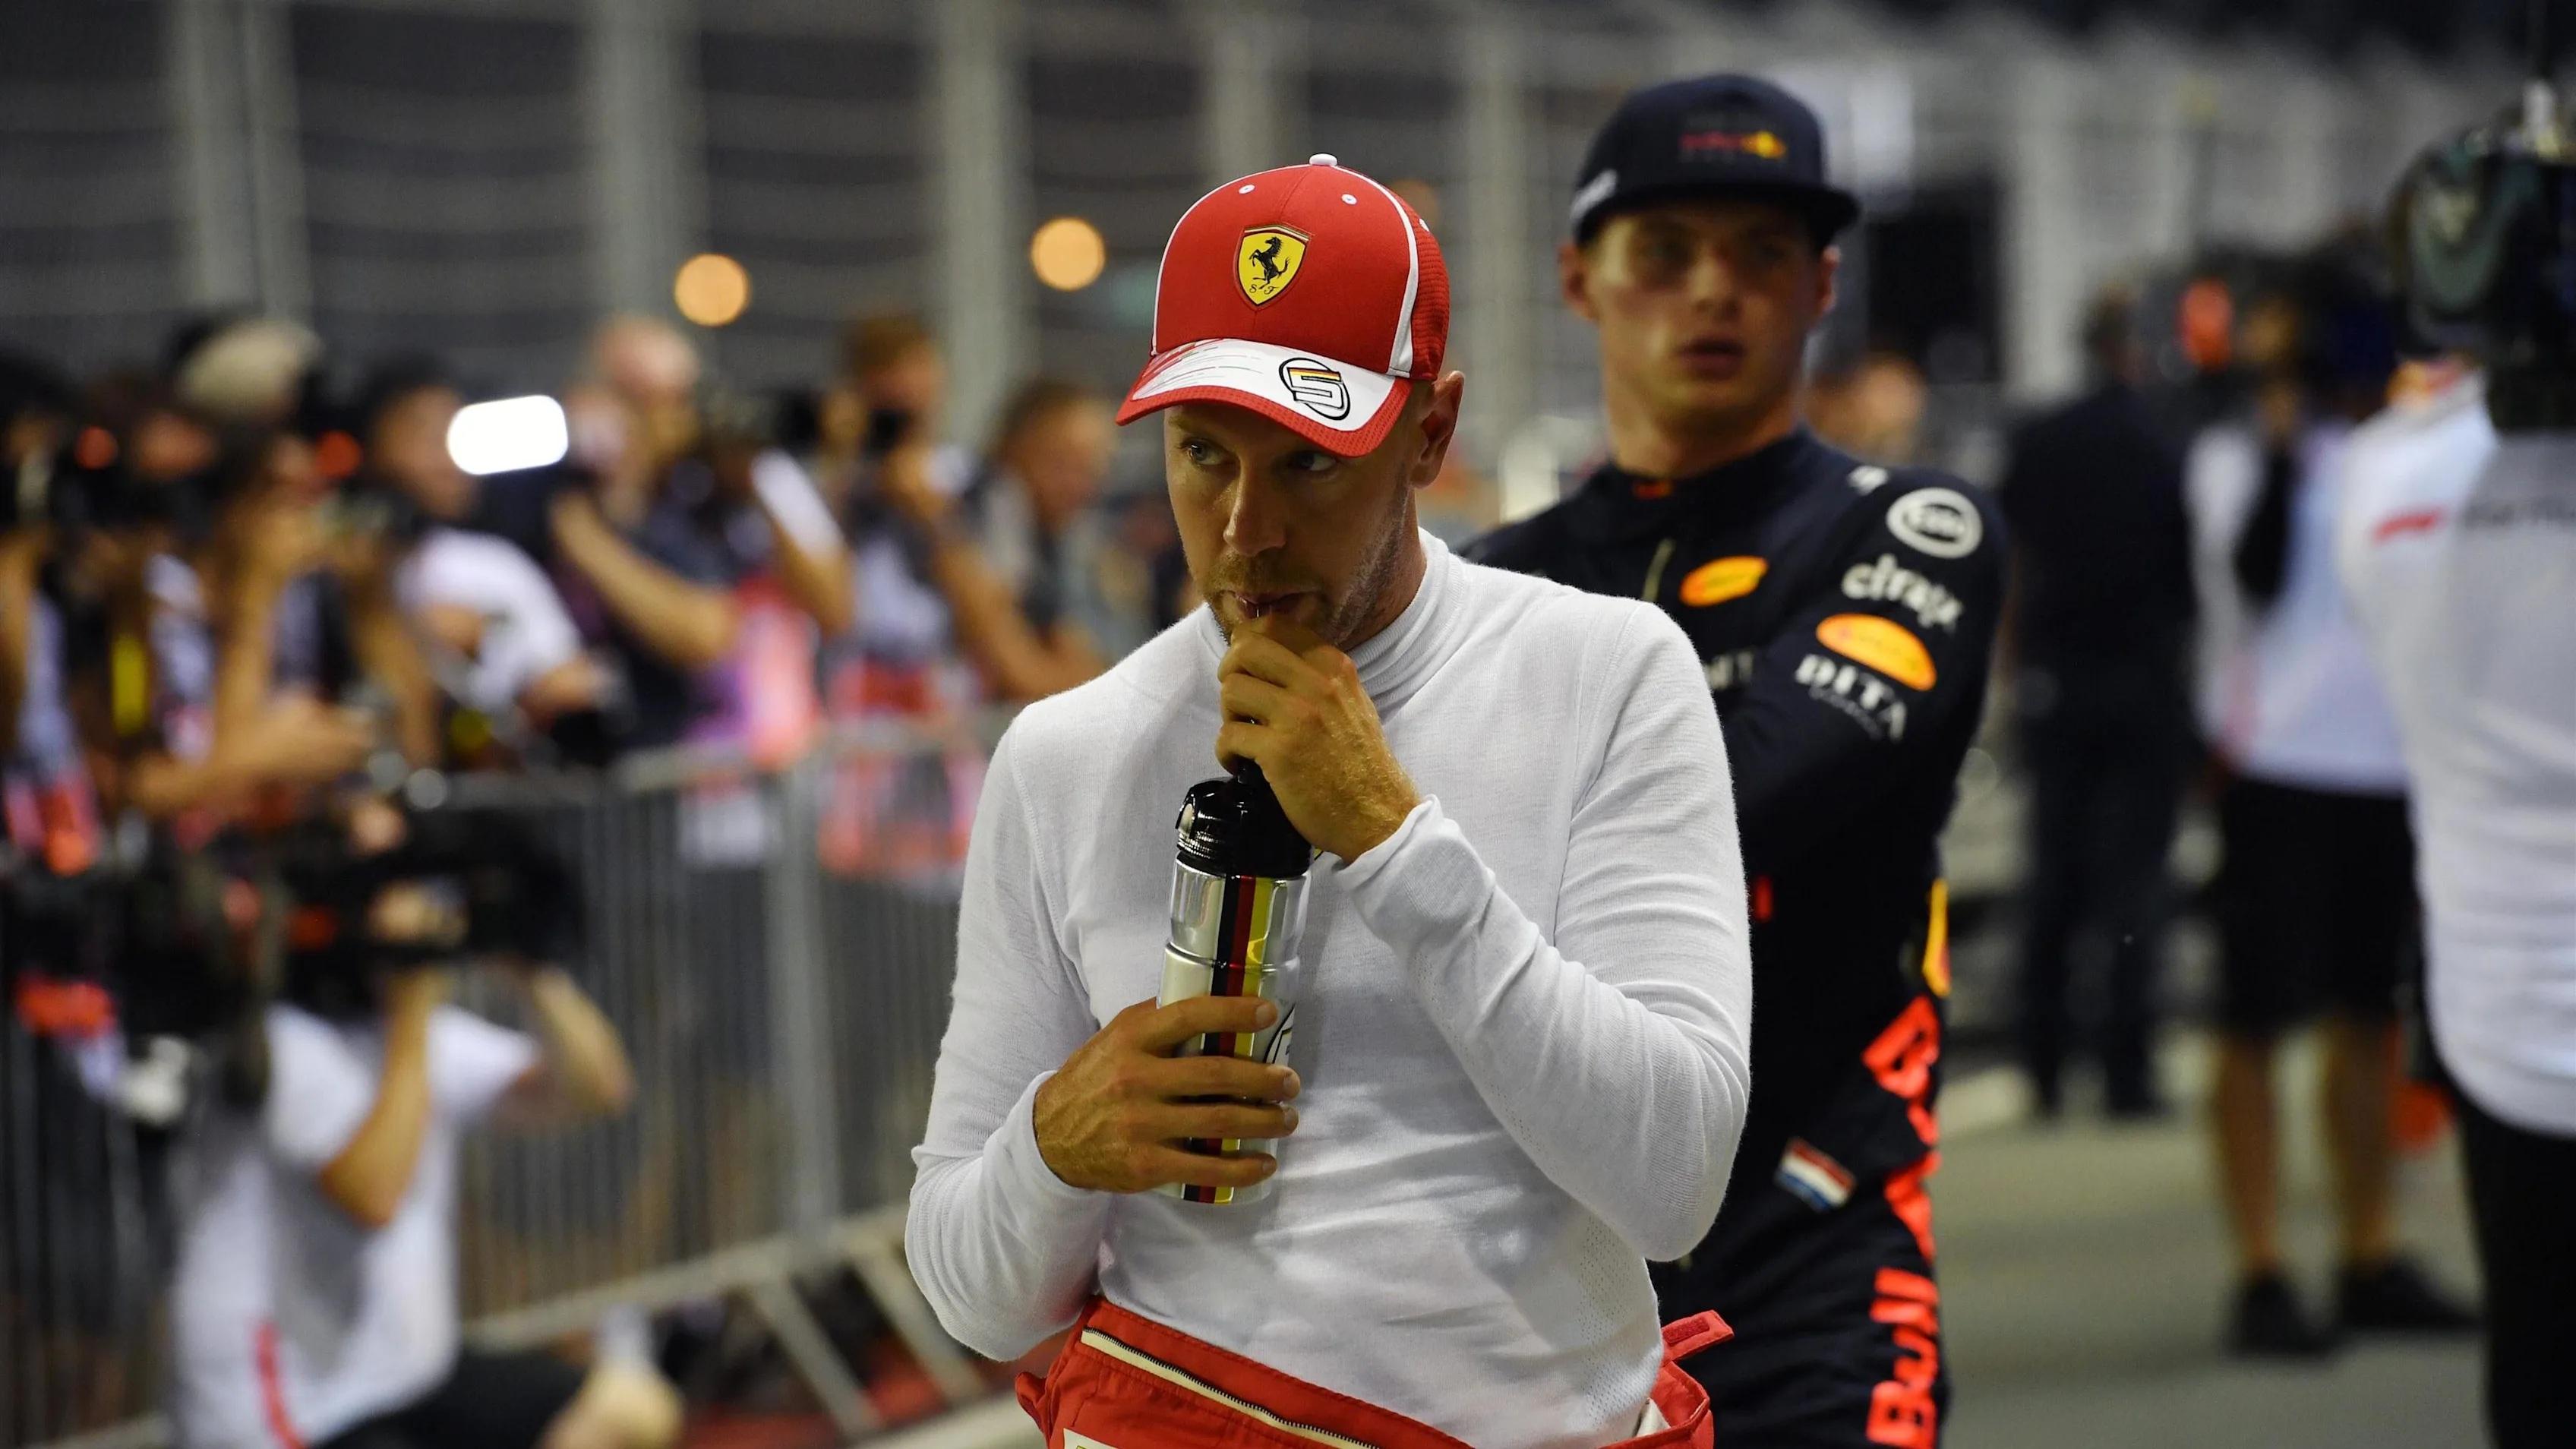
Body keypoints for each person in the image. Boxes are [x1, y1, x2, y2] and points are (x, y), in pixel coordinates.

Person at [908, 154, 1753, 1447]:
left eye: (1309, 462)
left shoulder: (1604, 673)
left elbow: (1675, 1182)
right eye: (1202, 455)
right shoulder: (1069, 752)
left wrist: (1393, 838)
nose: (1244, 529)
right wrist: (1052, 1145)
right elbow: (972, 1298)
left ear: (1431, 433)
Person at [1467, 75, 2004, 1448]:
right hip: (1537, 1279)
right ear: (1579, 279)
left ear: (1821, 284)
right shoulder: (1491, 581)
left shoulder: (1910, 532)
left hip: (1812, 1253)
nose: (1714, 289)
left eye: (1762, 252)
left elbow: (1745, 797)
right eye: (1664, 251)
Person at [2183, 255, 2477, 1355]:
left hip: (2391, 769)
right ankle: (2260, 1267)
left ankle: (2368, 1247)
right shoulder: (2233, 459)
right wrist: (2275, 435)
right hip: (2275, 766)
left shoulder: (2398, 456)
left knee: (2370, 1015)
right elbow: (2250, 579)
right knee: (2253, 1022)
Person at [164, 953, 680, 1449]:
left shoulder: (419, 1036)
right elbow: (374, 1196)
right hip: (296, 1408)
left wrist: (531, 970)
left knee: (633, 1411)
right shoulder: (285, 1042)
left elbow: (598, 1088)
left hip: (407, 1378)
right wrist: (411, 1014)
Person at [2338, 345, 2567, 1445]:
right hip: (2500, 1009)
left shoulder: (2391, 473)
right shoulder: (2396, 472)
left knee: (2540, 1369)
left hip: (2496, 1018)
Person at [1997, 284, 2196, 1117]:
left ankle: (2043, 1067)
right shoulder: (2167, 441)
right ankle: (2125, 1071)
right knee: (2133, 888)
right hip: (2142, 684)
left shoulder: (2041, 437)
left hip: (2058, 682)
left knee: (2052, 876)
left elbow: (2010, 566)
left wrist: (2014, 676)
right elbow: (2193, 582)